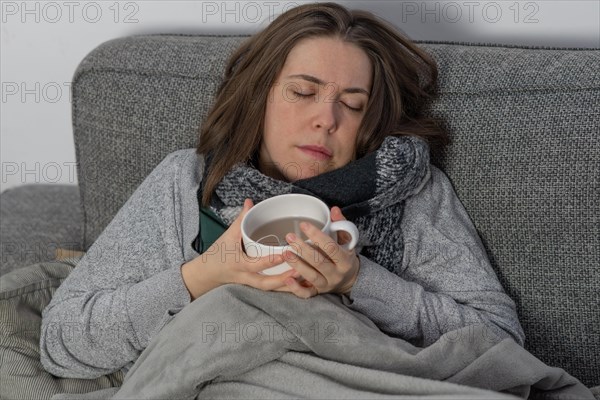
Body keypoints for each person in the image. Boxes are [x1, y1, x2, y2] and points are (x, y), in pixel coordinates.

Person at [40, 2, 524, 379]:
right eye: (303, 92)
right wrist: (200, 278)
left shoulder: (412, 192)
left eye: (352, 105)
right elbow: (63, 342)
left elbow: (501, 345)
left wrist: (358, 282)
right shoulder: (185, 183)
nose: (326, 118)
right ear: (260, 95)